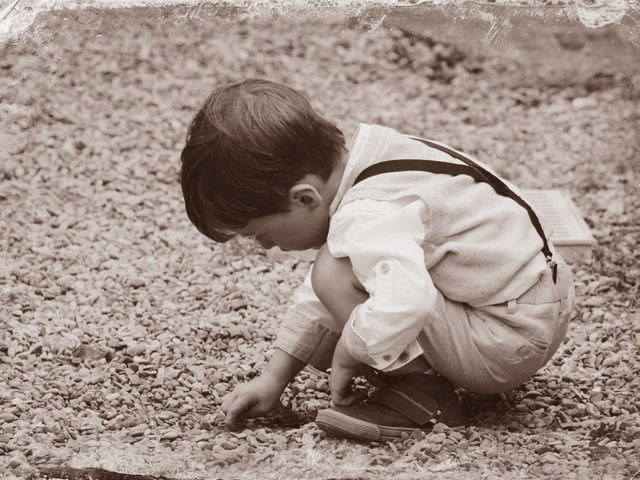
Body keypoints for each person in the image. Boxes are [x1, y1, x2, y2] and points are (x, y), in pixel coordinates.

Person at [179, 78, 576, 442]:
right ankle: (415, 372)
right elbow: (331, 295)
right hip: (533, 303)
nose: (265, 246)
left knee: (334, 271)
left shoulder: (366, 212)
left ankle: (420, 395)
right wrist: (274, 377)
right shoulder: (378, 157)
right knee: (349, 270)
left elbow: (401, 299)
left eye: (259, 232)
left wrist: (353, 348)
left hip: (507, 338)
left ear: (304, 198)